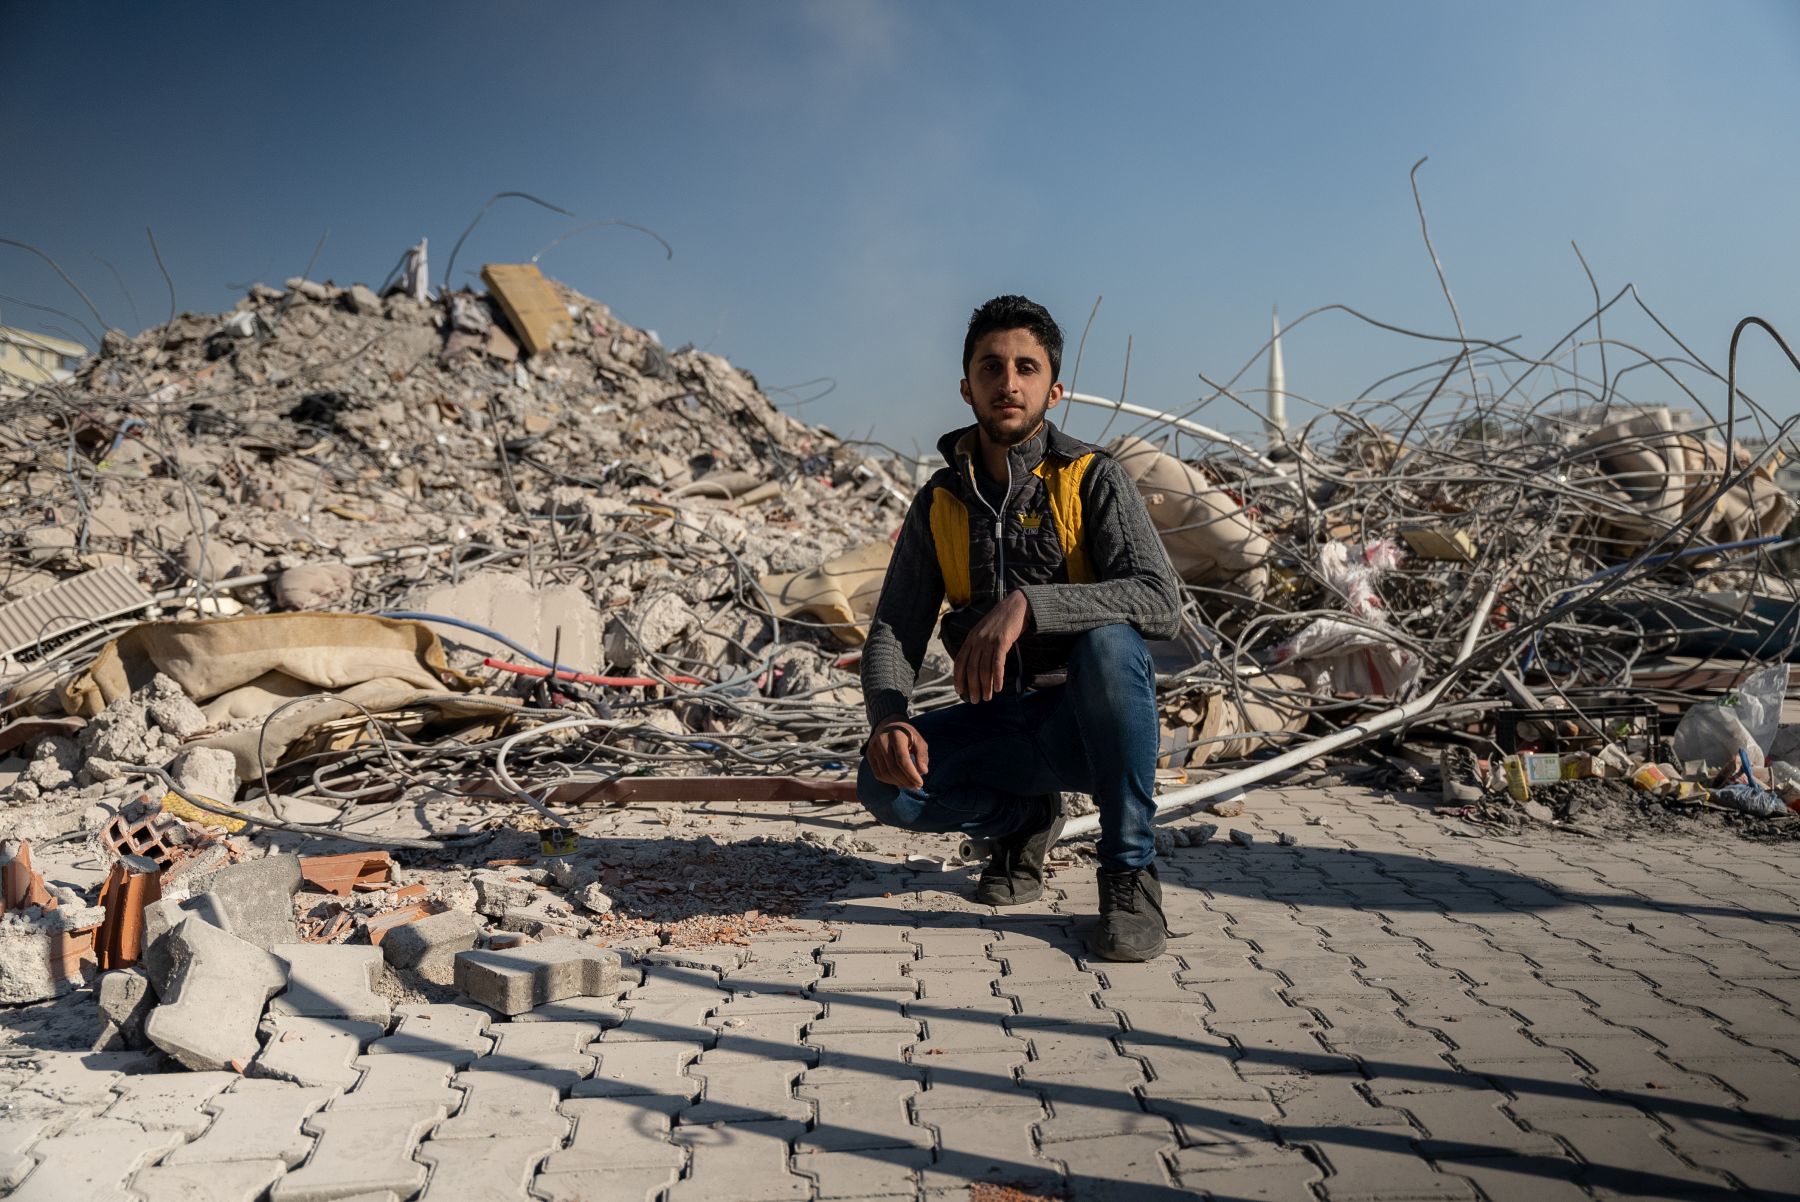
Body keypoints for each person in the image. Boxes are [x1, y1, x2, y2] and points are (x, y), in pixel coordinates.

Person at [858, 294, 1183, 961]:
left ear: (1053, 389)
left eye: (1026, 368)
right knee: (882, 785)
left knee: (1110, 641)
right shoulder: (941, 500)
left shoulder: (1093, 478)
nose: (1009, 382)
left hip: (1088, 728)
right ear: (966, 385)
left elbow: (1159, 601)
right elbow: (895, 626)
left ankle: (1129, 873)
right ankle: (1023, 820)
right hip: (1001, 726)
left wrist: (1030, 604)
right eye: (991, 366)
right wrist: (888, 718)